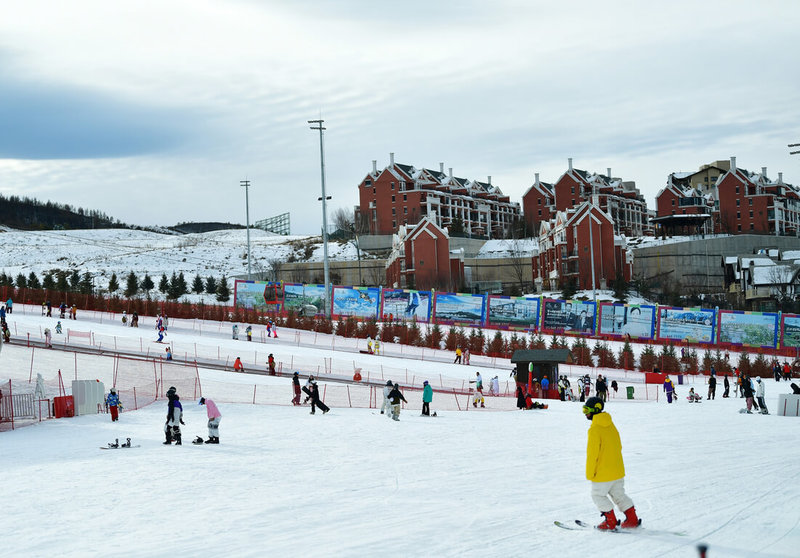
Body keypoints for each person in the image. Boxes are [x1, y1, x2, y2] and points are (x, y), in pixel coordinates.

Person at [583, 396, 640, 530]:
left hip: (603, 473)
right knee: (619, 494)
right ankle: (632, 519)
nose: (585, 413)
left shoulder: (594, 429)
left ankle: (610, 521)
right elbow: (618, 446)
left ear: (595, 409)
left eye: (587, 410)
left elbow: (592, 455)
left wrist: (590, 473)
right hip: (617, 471)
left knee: (597, 495)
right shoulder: (611, 425)